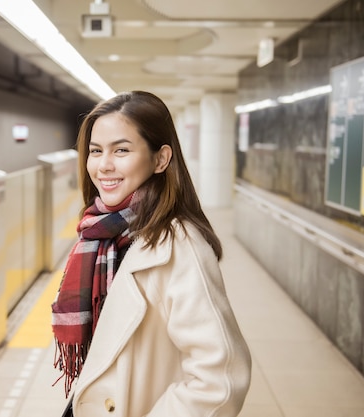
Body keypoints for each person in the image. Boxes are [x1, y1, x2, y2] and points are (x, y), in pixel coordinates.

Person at [51, 90, 251, 417]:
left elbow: (221, 378)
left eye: (122, 150)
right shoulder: (100, 234)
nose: (104, 165)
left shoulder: (179, 246)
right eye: (96, 151)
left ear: (161, 159)